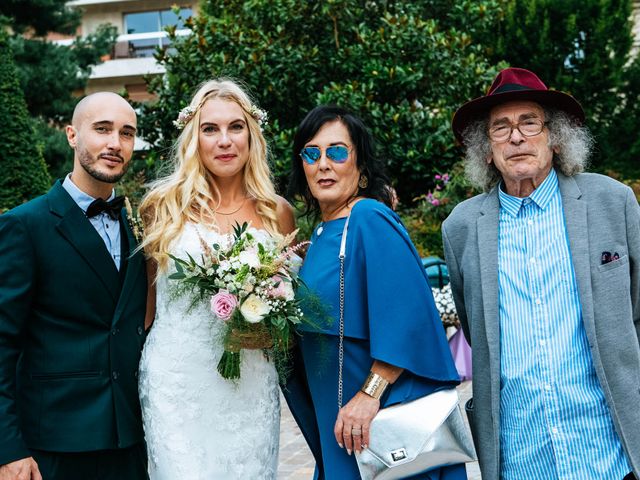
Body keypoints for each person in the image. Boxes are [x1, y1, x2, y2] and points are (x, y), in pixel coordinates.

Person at [443, 67, 640, 480]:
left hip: (609, 449)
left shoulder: (613, 203)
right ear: (486, 148)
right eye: (500, 128)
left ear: (555, 137)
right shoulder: (460, 228)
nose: (516, 137)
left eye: (529, 122)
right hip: (520, 455)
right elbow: (476, 327)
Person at [286, 105, 465, 479]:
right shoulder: (319, 234)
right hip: (335, 413)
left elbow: (408, 316)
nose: (323, 164)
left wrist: (369, 395)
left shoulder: (368, 217)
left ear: (361, 170)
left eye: (337, 152)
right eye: (311, 153)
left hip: (373, 416)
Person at [137, 79, 295, 478]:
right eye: (210, 129)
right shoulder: (162, 208)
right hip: (176, 382)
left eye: (235, 127)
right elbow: (147, 308)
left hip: (250, 383)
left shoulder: (278, 213)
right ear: (195, 137)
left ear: (251, 135)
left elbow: (289, 309)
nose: (224, 140)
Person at [0, 92, 148, 480]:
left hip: (130, 440)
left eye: (127, 133)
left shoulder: (142, 227)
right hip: (52, 445)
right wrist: (7, 448)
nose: (115, 143)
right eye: (102, 130)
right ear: (72, 135)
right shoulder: (24, 225)